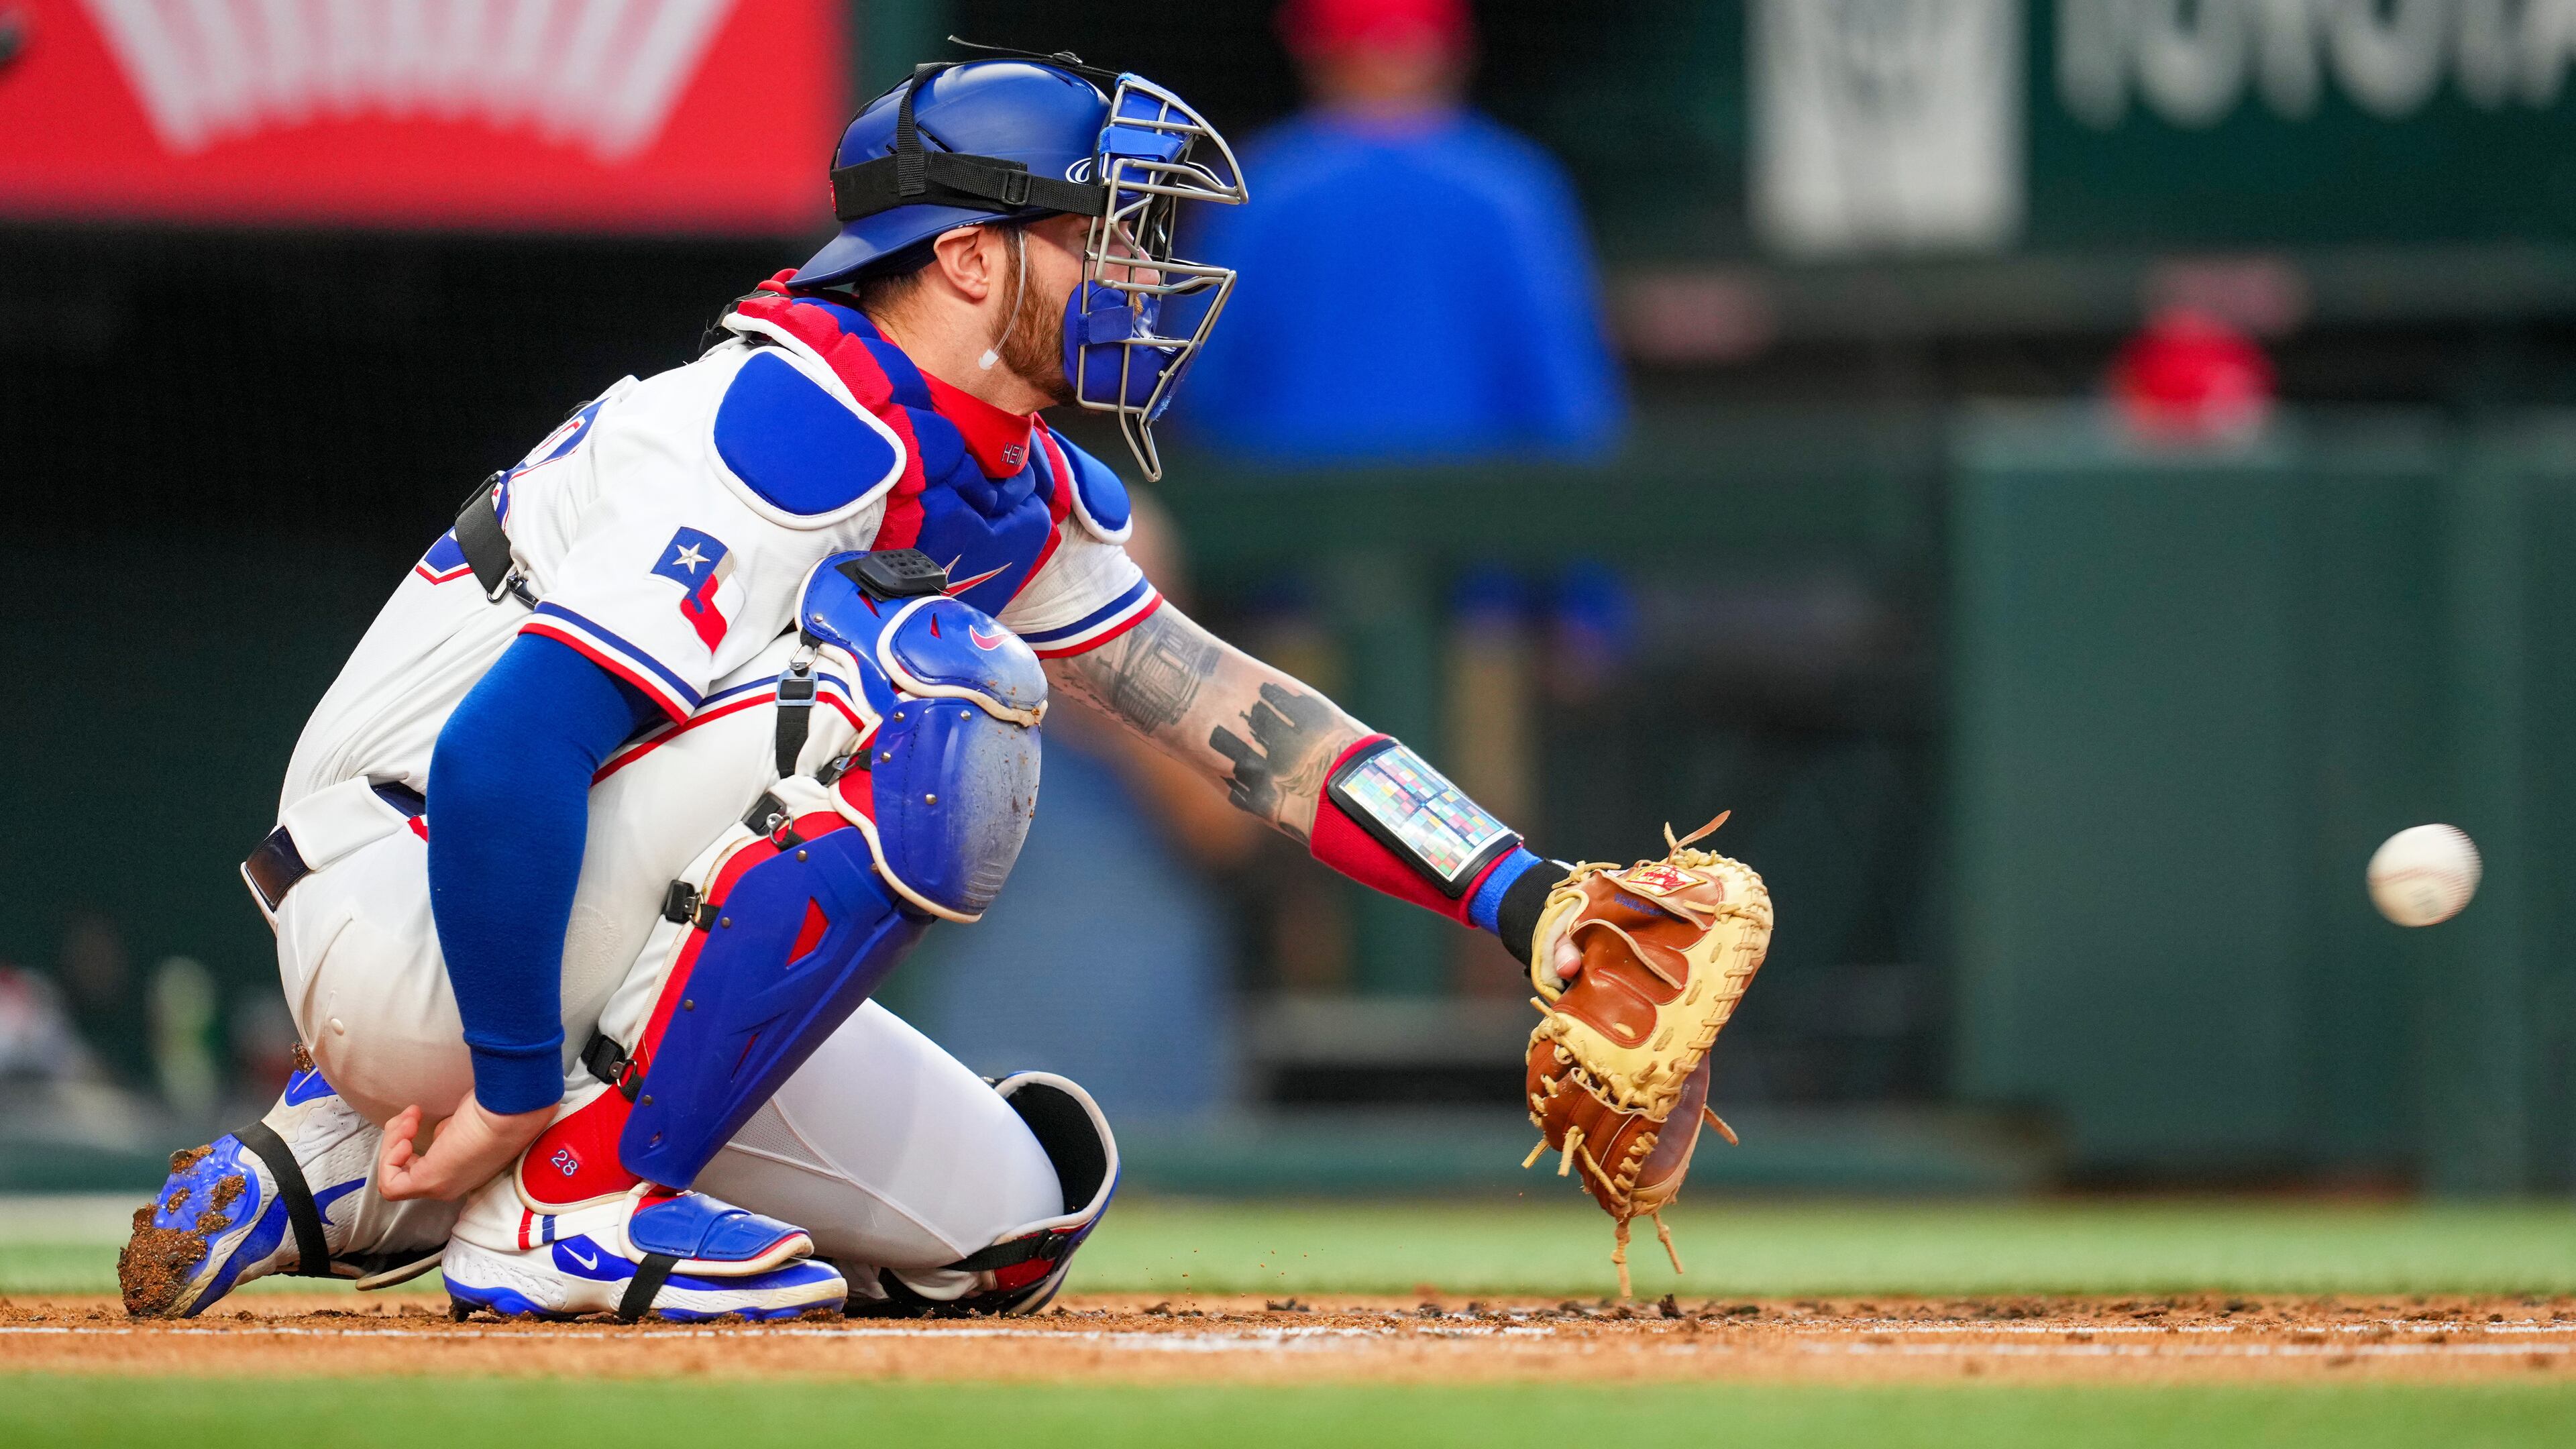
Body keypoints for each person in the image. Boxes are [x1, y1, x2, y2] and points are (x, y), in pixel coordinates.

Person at [117, 52, 1725, 1323]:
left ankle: (335, 1168)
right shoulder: (785, 419)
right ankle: (569, 1207)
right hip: (404, 900)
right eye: (1092, 235)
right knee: (939, 692)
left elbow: (1247, 725)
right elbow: (500, 755)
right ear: (963, 257)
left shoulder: (994, 472)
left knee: (1006, 1221)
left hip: (517, 935)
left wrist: (1528, 901)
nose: (1128, 274)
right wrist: (518, 1086)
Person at [1179, 0, 1625, 464]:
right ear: (1454, 52)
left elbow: (1198, 382)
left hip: (1292, 513)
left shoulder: (1259, 187)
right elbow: (1568, 399)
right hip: (1478, 510)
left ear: (1317, 54)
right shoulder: (1511, 187)